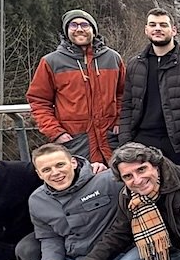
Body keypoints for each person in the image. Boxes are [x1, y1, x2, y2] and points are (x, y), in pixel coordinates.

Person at [6, 144, 137, 260]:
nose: (55, 173)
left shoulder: (106, 180)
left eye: (60, 165)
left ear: (73, 162)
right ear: (39, 174)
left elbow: (142, 176)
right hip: (73, 257)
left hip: (111, 255)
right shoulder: (37, 200)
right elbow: (48, 236)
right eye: (46, 169)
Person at [27, 9, 126, 164]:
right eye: (73, 25)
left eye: (85, 25)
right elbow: (39, 101)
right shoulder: (51, 62)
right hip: (75, 141)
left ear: (93, 30)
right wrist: (57, 133)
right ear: (66, 31)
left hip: (111, 140)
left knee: (116, 182)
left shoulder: (113, 58)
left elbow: (123, 94)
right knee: (81, 183)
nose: (79, 29)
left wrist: (120, 122)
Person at [119, 8, 180, 167]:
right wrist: (125, 142)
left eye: (163, 25)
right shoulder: (134, 64)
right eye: (153, 24)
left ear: (173, 30)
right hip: (142, 142)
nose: (157, 28)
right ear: (146, 30)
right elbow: (127, 106)